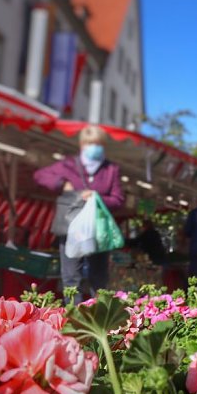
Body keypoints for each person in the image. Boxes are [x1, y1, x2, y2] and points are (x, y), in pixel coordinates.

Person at [35, 125, 124, 302]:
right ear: (82, 144)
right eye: (90, 143)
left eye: (98, 144)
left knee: (99, 277)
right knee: (71, 277)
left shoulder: (111, 169)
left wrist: (97, 197)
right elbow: (40, 175)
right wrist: (61, 183)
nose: (94, 147)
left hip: (98, 230)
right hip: (71, 228)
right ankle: (74, 319)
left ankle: (98, 315)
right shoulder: (68, 165)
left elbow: (118, 199)